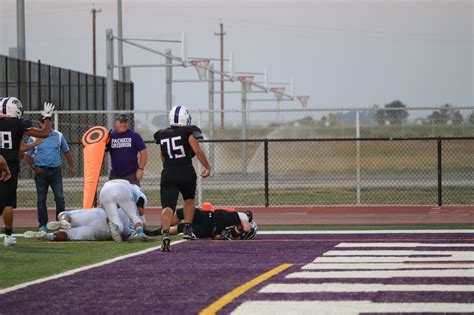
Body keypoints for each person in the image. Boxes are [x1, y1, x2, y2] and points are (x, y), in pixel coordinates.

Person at [154, 105, 211, 252]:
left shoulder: (161, 134)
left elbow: (162, 155)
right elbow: (197, 150)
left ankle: (166, 234)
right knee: (189, 199)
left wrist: (168, 168)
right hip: (186, 170)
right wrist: (207, 167)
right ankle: (187, 228)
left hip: (168, 172)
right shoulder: (188, 132)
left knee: (167, 207)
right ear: (186, 118)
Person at [0, 97, 54, 247]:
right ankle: (8, 236)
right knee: (7, 203)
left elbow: (20, 148)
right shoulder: (19, 124)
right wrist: (47, 117)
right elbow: (44, 133)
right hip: (9, 167)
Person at [24, 117, 75, 232]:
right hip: (41, 172)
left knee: (60, 198)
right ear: (40, 123)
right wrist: (34, 167)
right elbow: (27, 155)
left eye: (49, 121)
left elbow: (66, 151)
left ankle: (60, 222)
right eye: (44, 122)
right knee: (41, 199)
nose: (47, 124)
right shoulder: (33, 137)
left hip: (55, 171)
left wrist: (71, 165)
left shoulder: (58, 135)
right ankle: (42, 225)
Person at [145, 206, 258, 241]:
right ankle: (159, 230)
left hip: (209, 224)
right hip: (208, 217)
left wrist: (240, 233)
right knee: (182, 213)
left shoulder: (243, 219)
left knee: (182, 227)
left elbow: (247, 228)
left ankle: (155, 232)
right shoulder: (234, 228)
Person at [23, 207, 134, 242]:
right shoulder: (132, 228)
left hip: (98, 215)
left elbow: (107, 204)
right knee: (70, 235)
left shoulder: (126, 204)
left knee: (65, 214)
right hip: (103, 233)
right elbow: (126, 237)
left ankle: (64, 221)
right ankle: (48, 236)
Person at [106, 113, 147, 186]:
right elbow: (103, 152)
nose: (123, 125)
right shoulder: (110, 137)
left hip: (131, 175)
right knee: (114, 197)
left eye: (125, 122)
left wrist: (140, 169)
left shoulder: (134, 136)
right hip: (115, 176)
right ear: (116, 123)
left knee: (133, 196)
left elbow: (143, 152)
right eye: (121, 122)